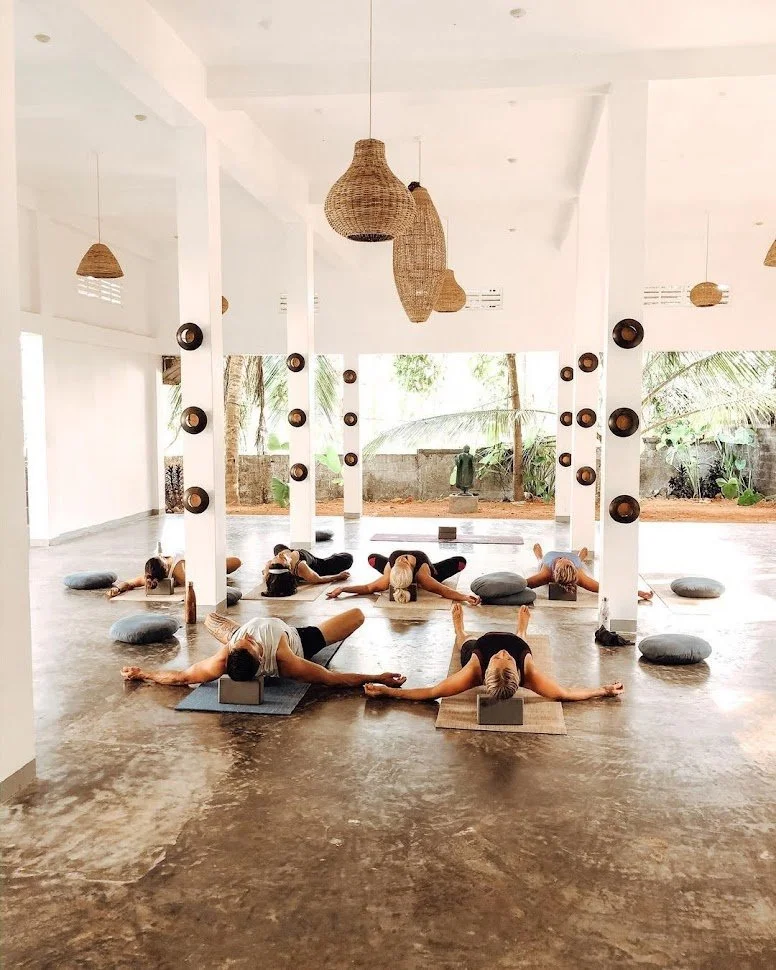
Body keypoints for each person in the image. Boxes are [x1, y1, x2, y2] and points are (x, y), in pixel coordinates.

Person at [363, 604, 624, 703]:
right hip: (519, 644)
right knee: (523, 647)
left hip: (479, 646)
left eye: (499, 659)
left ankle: (460, 630)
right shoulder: (529, 674)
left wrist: (387, 692)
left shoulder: (473, 672)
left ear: (487, 670)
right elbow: (565, 694)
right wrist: (604, 690)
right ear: (517, 674)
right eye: (505, 659)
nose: (501, 653)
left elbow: (431, 692)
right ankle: (521, 631)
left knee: (465, 644)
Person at [121, 607, 406, 691]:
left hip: (234, 634)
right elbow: (332, 679)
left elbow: (183, 677)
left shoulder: (228, 653)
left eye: (244, 640)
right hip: (299, 638)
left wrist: (142, 673)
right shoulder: (287, 660)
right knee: (357, 615)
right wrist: (377, 677)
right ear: (261, 655)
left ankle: (228, 631)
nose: (249, 636)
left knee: (210, 619)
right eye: (251, 641)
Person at [326, 550, 480, 606]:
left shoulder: (418, 575)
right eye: (401, 561)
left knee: (372, 558)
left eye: (403, 561)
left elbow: (368, 587)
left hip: (427, 569)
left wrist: (342, 588)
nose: (401, 558)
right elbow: (368, 588)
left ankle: (388, 567)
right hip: (425, 573)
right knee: (459, 562)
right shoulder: (419, 576)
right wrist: (465, 597)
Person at [526, 544, 653, 602]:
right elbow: (607, 588)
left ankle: (540, 557)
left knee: (541, 561)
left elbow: (523, 584)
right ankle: (579, 558)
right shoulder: (578, 574)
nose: (564, 557)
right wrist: (638, 592)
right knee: (578, 560)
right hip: (576, 561)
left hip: (548, 558)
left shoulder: (546, 572)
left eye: (564, 560)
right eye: (563, 560)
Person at [107, 551, 242, 598]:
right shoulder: (150, 576)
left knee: (236, 562)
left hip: (204, 563)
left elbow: (195, 585)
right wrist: (117, 589)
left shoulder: (177, 568)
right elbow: (130, 583)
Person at [264, 545, 353, 586]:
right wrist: (338, 576)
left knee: (277, 547)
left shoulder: (270, 564)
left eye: (276, 557)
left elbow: (266, 578)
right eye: (281, 558)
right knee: (347, 558)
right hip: (319, 565)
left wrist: (266, 572)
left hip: (294, 552)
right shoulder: (300, 566)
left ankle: (289, 551)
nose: (280, 555)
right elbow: (318, 579)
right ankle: (334, 558)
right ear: (288, 566)